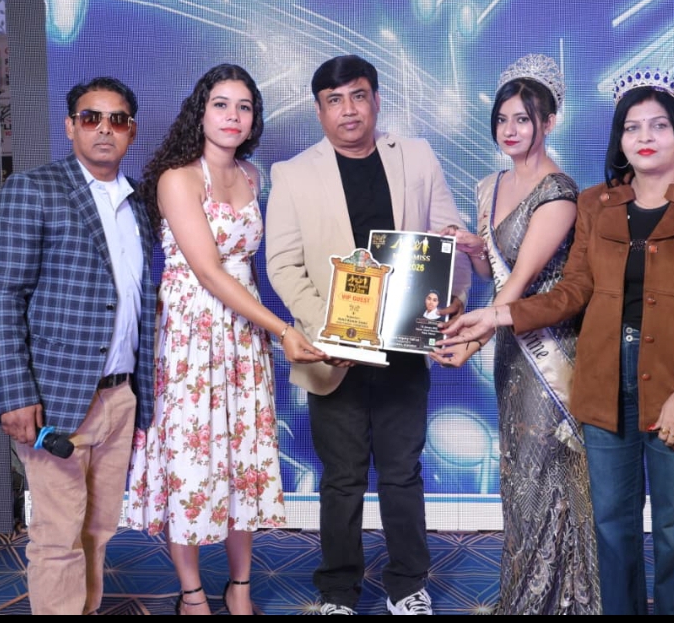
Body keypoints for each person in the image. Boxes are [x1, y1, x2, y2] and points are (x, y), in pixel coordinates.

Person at [437, 68, 674, 615]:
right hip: (603, 379)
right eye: (632, 127)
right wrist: (496, 316)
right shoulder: (596, 203)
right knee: (611, 525)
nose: (645, 137)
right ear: (619, 138)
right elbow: (572, 292)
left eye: (658, 125)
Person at [266, 54, 473, 615]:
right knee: (341, 478)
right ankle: (338, 592)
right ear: (319, 110)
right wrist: (332, 329)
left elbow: (449, 237)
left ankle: (408, 585)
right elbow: (282, 265)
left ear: (376, 100)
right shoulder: (293, 173)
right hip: (333, 353)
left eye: (358, 96)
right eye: (334, 100)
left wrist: (453, 297)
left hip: (404, 348)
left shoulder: (417, 155)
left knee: (402, 473)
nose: (348, 110)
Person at [125, 64, 327, 616]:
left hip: (243, 336)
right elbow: (210, 272)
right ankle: (191, 594)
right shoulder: (177, 178)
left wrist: (270, 330)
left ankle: (239, 586)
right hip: (190, 334)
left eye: (244, 107)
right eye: (221, 104)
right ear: (201, 112)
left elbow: (250, 266)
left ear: (254, 119)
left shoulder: (253, 176)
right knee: (190, 460)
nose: (233, 116)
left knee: (243, 457)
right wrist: (283, 329)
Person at [430, 54, 600, 614]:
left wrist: (470, 341)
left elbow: (522, 281)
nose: (510, 129)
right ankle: (526, 595)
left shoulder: (559, 192)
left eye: (523, 119)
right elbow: (492, 274)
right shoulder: (489, 184)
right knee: (518, 478)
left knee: (549, 475)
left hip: (548, 352)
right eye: (502, 119)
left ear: (548, 122)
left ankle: (555, 601)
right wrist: (472, 248)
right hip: (508, 348)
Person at [0, 76, 156, 615]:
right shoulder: (34, 189)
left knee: (98, 530)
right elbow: (2, 295)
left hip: (120, 396)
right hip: (55, 398)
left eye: (117, 119)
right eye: (90, 117)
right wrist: (14, 395)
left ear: (131, 131)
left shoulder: (139, 205)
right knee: (58, 536)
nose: (104, 129)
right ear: (70, 126)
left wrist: (141, 398)